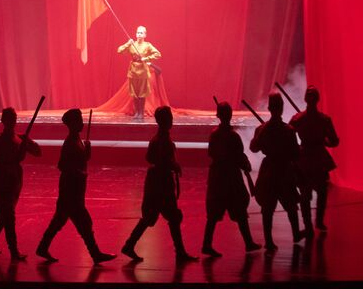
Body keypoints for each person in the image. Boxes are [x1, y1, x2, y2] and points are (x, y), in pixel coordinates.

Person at [36, 109, 116, 264]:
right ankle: (95, 253)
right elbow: (62, 165)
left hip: (75, 189)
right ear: (72, 124)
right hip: (70, 190)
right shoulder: (70, 143)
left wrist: (87, 149)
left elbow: (83, 159)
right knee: (83, 222)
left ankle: (43, 247)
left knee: (60, 221)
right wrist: (79, 173)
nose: (82, 123)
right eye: (79, 121)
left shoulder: (77, 140)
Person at [121, 106, 198, 262]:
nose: (171, 120)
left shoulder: (159, 139)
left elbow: (150, 158)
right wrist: (172, 165)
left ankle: (130, 245)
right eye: (169, 118)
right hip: (160, 183)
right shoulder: (161, 140)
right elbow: (156, 159)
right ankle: (179, 252)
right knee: (167, 217)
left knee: (155, 217)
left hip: (158, 182)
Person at [201, 102, 261, 257]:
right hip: (231, 178)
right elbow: (239, 156)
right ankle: (247, 242)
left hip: (218, 177)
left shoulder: (215, 135)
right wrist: (244, 165)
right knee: (239, 211)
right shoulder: (233, 136)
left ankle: (207, 244)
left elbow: (211, 153)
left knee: (215, 215)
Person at [0, 107, 41, 260]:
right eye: (9, 118)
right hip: (2, 183)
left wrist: (28, 143)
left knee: (5, 215)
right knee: (8, 216)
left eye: (14, 118)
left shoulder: (21, 138)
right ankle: (14, 251)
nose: (12, 121)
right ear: (3, 121)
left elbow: (38, 153)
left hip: (15, 182)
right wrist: (3, 167)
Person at [250, 94, 305, 251]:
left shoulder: (263, 129)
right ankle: (294, 233)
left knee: (269, 208)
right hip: (283, 169)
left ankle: (269, 240)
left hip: (270, 170)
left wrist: (262, 133)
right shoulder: (288, 130)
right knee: (289, 205)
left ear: (269, 108)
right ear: (281, 108)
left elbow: (254, 148)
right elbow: (295, 154)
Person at [289, 86, 339, 234]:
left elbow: (288, 136)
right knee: (321, 192)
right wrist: (323, 141)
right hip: (318, 157)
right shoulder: (324, 120)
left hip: (304, 158)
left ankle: (309, 225)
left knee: (306, 194)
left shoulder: (298, 119)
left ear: (306, 99)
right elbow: (334, 141)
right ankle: (319, 222)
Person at [117, 26, 161, 120]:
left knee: (142, 93)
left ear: (145, 35)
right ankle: (137, 112)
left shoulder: (147, 45)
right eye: (138, 32)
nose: (139, 34)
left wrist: (146, 58)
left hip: (143, 71)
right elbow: (119, 50)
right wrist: (128, 43)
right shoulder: (132, 44)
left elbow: (158, 54)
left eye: (141, 33)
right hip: (133, 71)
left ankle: (141, 112)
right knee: (134, 93)